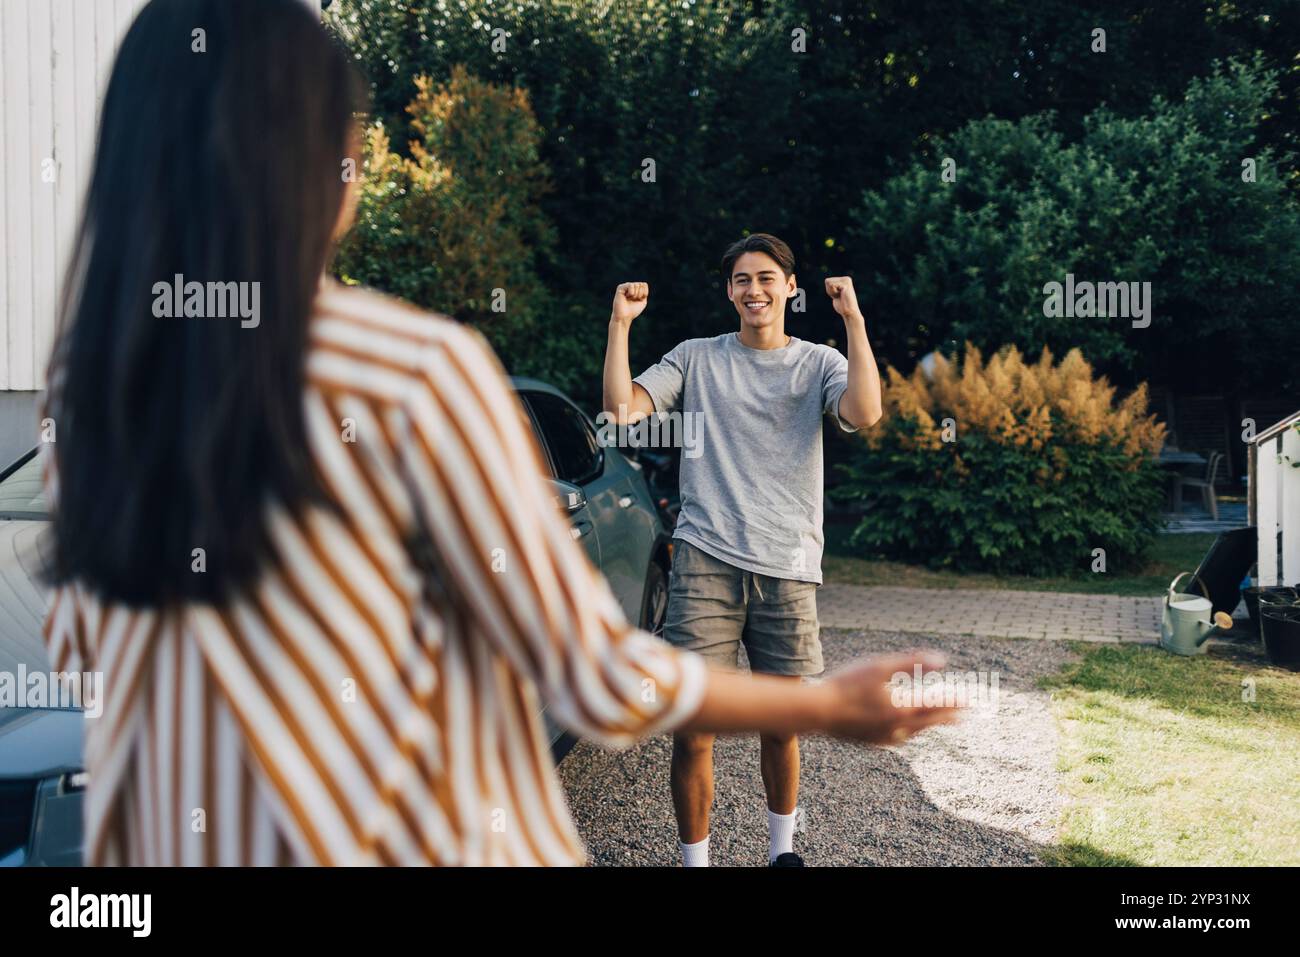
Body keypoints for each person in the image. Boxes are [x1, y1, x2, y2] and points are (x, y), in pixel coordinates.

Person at [41, 0, 954, 866]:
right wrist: (831, 704)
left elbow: (94, 667)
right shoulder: (408, 369)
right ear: (330, 155)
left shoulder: (88, 399)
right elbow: (586, 665)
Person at [602, 233, 885, 866]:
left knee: (782, 722)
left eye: (765, 278)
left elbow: (865, 412)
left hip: (787, 565)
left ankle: (782, 856)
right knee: (693, 725)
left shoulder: (818, 362)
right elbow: (620, 412)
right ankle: (695, 862)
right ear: (728, 291)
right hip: (705, 558)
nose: (753, 289)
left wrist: (854, 320)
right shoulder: (696, 358)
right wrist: (621, 324)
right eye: (740, 280)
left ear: (790, 287)